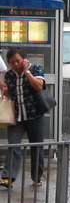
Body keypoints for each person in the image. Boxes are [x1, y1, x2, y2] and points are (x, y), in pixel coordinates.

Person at [0, 48, 46, 188]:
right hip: (17, 118)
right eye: (11, 62)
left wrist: (27, 72)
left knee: (36, 147)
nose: (15, 64)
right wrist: (6, 92)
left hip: (34, 116)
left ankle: (36, 178)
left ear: (24, 59)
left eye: (18, 61)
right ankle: (8, 178)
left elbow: (39, 87)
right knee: (13, 145)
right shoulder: (9, 75)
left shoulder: (36, 69)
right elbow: (10, 95)